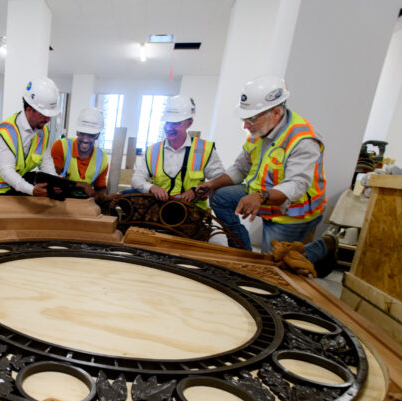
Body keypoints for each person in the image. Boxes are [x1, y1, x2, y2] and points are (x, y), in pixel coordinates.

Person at [196, 75, 336, 273]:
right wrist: (212, 184)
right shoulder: (258, 133)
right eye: (245, 119)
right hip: (261, 196)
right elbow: (240, 168)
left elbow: (296, 185)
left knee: (275, 267)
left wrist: (261, 196)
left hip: (292, 211)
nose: (246, 126)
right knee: (220, 196)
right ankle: (243, 253)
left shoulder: (303, 140)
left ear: (276, 113)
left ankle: (325, 246)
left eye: (251, 119)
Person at [129, 95, 225, 209]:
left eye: (176, 123)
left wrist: (197, 191)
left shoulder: (205, 150)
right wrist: (152, 188)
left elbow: (220, 180)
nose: (169, 128)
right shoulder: (153, 151)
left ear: (189, 123)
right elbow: (136, 180)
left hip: (193, 213)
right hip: (159, 212)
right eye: (167, 123)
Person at [0, 77, 60, 197]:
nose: (48, 119)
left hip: (10, 185)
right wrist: (32, 190)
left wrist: (55, 180)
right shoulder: (5, 133)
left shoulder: (42, 131)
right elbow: (7, 172)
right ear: (29, 110)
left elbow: (46, 162)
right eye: (43, 114)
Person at [50, 107, 109, 202]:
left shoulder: (102, 158)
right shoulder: (61, 146)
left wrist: (102, 197)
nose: (85, 139)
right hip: (60, 200)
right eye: (82, 133)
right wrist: (80, 185)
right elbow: (52, 180)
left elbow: (100, 188)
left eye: (91, 135)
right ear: (77, 131)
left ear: (97, 135)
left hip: (85, 203)